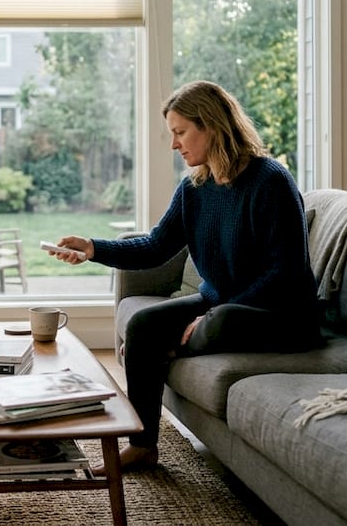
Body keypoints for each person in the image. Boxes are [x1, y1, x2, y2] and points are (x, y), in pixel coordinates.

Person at [44, 80, 320, 473]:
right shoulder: (195, 187)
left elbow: (285, 272)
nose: (175, 144)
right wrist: (92, 248)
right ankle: (142, 445)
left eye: (180, 132)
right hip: (219, 300)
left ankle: (183, 342)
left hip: (280, 312)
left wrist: (212, 316)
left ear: (210, 125)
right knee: (142, 326)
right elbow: (156, 247)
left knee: (221, 319)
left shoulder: (270, 181)